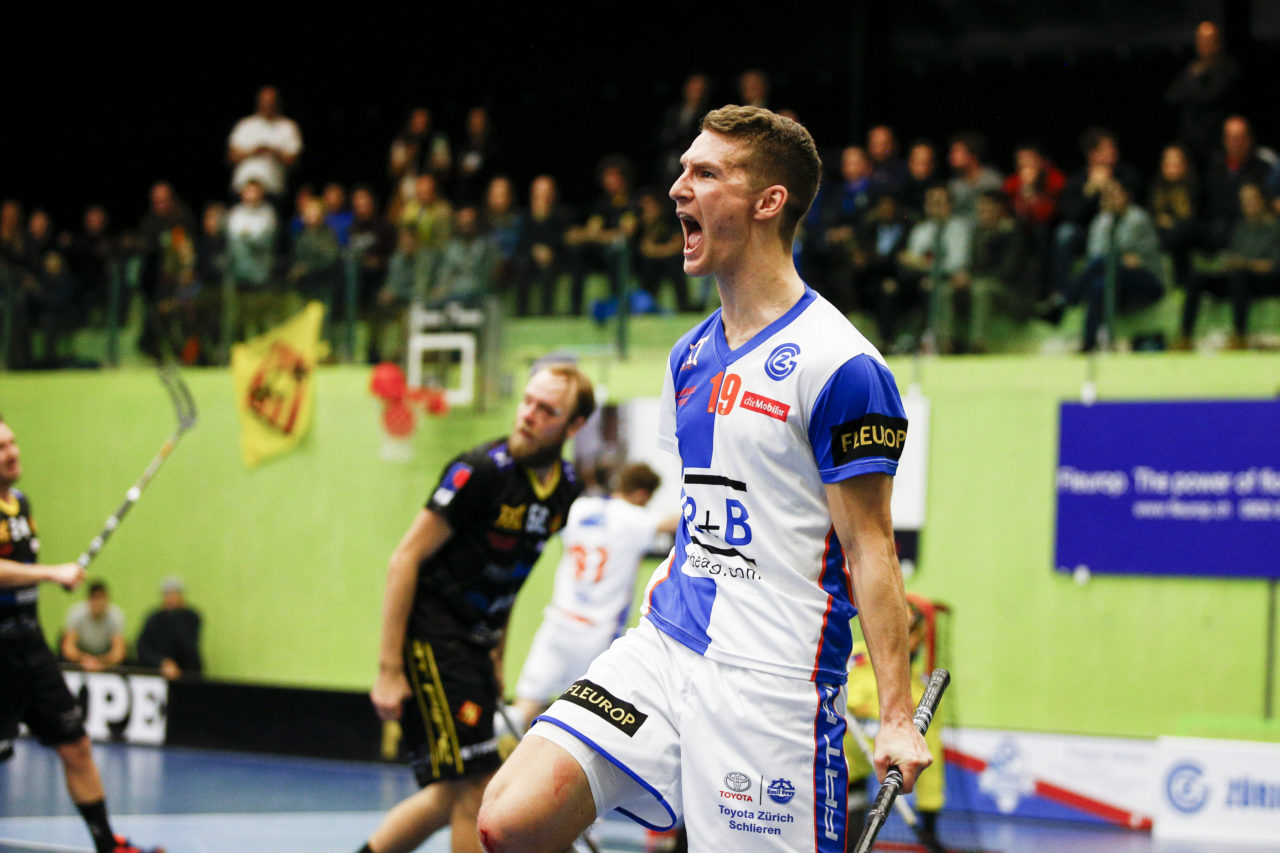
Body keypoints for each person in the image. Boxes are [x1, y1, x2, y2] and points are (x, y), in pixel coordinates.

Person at [479, 105, 931, 853]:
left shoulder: (843, 366)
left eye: (705, 173)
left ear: (767, 202)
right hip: (665, 642)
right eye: (683, 168)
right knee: (511, 816)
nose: (676, 186)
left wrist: (894, 712)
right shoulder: (688, 356)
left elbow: (871, 550)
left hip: (772, 681)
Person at [357, 363, 596, 853]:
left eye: (546, 409)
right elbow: (404, 559)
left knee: (451, 793)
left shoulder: (565, 488)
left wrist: (496, 655)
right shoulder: (480, 472)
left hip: (476, 646)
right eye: (527, 401)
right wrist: (387, 669)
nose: (527, 415)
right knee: (478, 785)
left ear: (574, 427)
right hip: (435, 637)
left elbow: (511, 575)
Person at [0, 415, 162, 853]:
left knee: (75, 745)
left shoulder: (20, 503)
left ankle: (108, 844)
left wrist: (55, 578)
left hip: (30, 646)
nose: (12, 452)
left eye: (13, 442)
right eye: (1, 448)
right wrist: (53, 573)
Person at [508, 462, 678, 730]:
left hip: (557, 621)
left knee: (522, 709)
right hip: (596, 633)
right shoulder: (635, 518)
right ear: (643, 495)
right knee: (583, 720)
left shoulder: (579, 509)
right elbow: (676, 523)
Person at [846, 594, 947, 853]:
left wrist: (929, 818)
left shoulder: (919, 691)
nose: (903, 639)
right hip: (821, 768)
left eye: (911, 633)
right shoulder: (848, 659)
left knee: (854, 843)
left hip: (858, 780)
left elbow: (930, 753)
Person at [1180, 182, 1280, 349]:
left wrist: (1245, 264)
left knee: (1238, 277)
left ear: (1263, 201)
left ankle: (1240, 335)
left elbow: (1274, 265)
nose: (1247, 204)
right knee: (1198, 278)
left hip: (1267, 281)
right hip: (1238, 281)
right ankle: (1185, 337)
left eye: (1252, 200)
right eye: (1244, 200)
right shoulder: (1241, 227)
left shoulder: (1275, 228)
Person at [1165, 21, 1240, 167]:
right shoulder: (1191, 68)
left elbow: (1209, 96)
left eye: (1208, 40)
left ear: (1218, 43)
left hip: (1217, 144)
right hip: (1190, 142)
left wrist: (1193, 82)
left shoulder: (1228, 68)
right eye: (1200, 40)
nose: (1204, 44)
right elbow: (1171, 97)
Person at [226, 85, 302, 206]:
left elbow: (294, 162)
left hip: (273, 191)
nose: (268, 104)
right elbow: (230, 157)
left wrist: (274, 153)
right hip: (242, 190)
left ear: (278, 102)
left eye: (271, 101)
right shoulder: (245, 125)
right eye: (265, 101)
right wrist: (253, 152)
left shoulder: (288, 127)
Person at [136, 576, 202, 680]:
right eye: (168, 594)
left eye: (175, 594)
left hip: (186, 673)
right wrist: (162, 662)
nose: (171, 598)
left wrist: (176, 617)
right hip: (157, 673)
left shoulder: (192, 618)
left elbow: (189, 649)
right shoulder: (154, 619)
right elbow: (142, 649)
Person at [60, 580, 126, 671]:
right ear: (88, 600)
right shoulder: (77, 613)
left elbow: (118, 653)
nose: (98, 603)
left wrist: (101, 662)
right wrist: (84, 659)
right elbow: (68, 648)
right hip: (81, 657)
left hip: (104, 657)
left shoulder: (115, 616)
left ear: (107, 599)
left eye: (101, 598)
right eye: (95, 598)